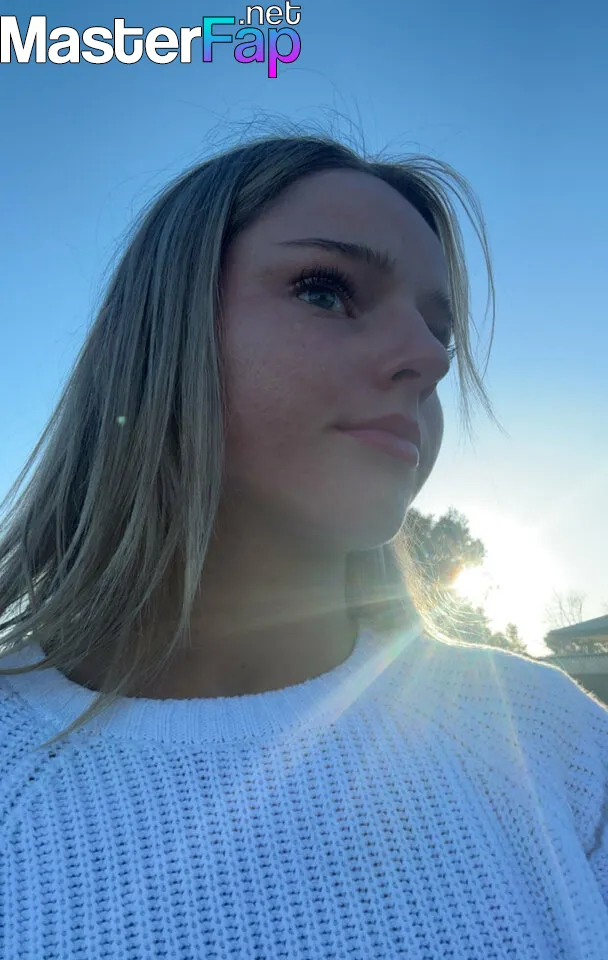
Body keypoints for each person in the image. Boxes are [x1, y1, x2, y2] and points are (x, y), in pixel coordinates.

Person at [0, 130, 606, 959]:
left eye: (440, 332)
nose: (429, 360)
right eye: (326, 291)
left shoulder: (549, 740)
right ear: (161, 333)